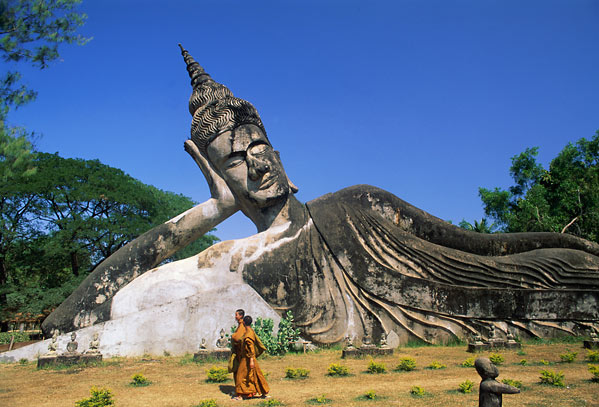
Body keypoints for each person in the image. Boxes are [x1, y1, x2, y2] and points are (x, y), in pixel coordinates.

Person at [41, 44, 599, 347]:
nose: (254, 162)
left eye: (258, 144)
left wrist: (563, 242)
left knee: (566, 268)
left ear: (276, 148)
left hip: (496, 291)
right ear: (216, 172)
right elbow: (73, 320)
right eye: (235, 159)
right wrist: (215, 210)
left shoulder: (356, 202)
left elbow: (479, 245)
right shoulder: (227, 261)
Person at [233, 315, 269, 400]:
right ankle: (263, 392)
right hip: (249, 358)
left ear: (244, 323)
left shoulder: (248, 335)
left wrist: (251, 360)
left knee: (240, 376)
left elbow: (251, 348)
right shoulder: (250, 331)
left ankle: (240, 396)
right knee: (256, 375)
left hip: (247, 359)